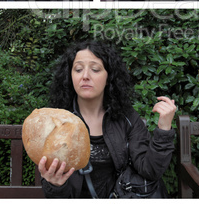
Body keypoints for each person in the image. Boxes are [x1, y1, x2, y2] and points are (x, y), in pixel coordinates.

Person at [39, 40, 176, 198]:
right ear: (70, 76)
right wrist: (55, 185)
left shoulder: (127, 118)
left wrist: (164, 129)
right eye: (78, 69)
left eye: (95, 69)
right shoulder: (56, 123)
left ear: (109, 76)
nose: (85, 76)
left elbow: (150, 170)